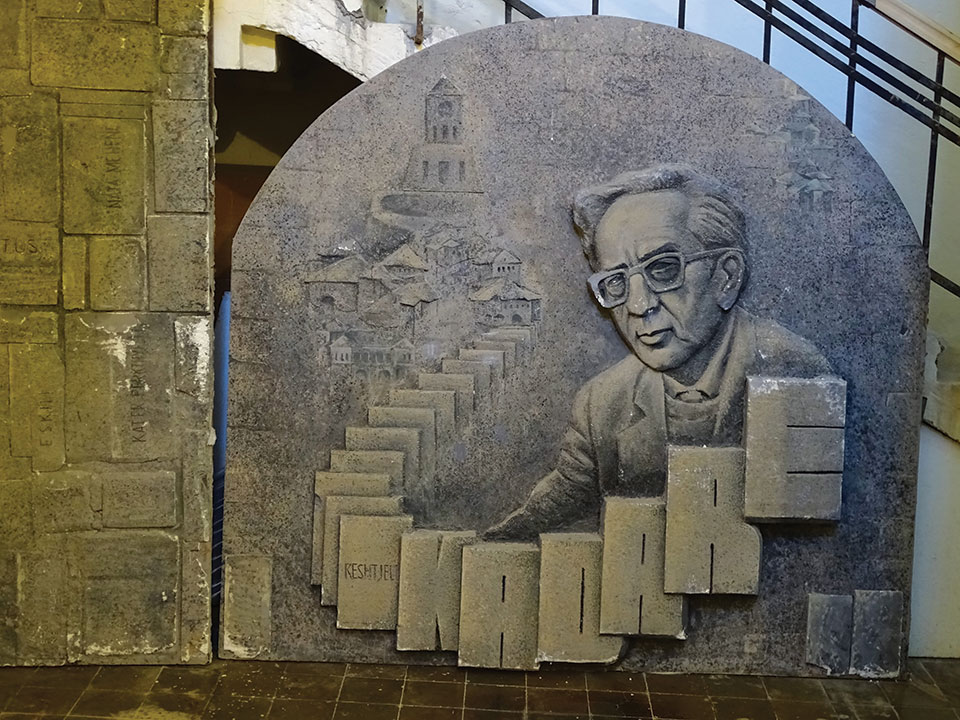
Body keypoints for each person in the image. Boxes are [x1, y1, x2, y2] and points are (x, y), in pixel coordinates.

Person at [485, 165, 832, 540]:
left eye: (663, 269)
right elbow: (561, 501)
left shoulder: (796, 372)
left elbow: (818, 535)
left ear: (726, 276)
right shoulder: (602, 404)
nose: (638, 305)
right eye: (616, 281)